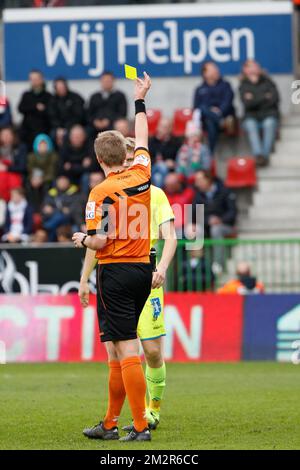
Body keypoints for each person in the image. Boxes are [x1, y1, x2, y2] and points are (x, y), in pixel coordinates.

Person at [72, 73, 154, 442]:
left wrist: (80, 239)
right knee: (120, 349)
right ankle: (109, 423)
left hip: (115, 271)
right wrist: (140, 100)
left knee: (125, 349)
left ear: (97, 158)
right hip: (142, 268)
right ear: (124, 154)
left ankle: (138, 427)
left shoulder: (99, 192)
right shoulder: (142, 172)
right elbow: (145, 137)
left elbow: (100, 241)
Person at [78, 135, 177, 432]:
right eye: (128, 154)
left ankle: (150, 410)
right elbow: (99, 245)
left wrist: (162, 267)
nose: (131, 159)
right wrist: (84, 279)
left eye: (135, 154)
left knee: (151, 352)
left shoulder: (154, 192)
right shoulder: (115, 191)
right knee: (119, 352)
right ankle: (115, 421)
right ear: (122, 158)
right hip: (126, 269)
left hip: (146, 271)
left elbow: (170, 235)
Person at [192, 170, 237, 271]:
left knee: (216, 229)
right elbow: (194, 215)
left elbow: (232, 213)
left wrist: (220, 220)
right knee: (194, 229)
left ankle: (218, 264)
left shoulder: (225, 191)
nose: (196, 183)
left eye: (199, 180)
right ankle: (196, 264)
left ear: (208, 180)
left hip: (225, 226)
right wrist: (208, 220)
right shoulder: (198, 195)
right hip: (206, 225)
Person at [240, 60, 280, 167]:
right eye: (251, 66)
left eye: (255, 66)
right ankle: (259, 155)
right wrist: (264, 97)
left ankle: (263, 157)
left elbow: (275, 99)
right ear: (245, 70)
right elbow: (247, 104)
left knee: (269, 123)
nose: (254, 68)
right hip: (251, 117)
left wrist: (254, 99)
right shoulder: (243, 85)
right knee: (250, 124)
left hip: (268, 114)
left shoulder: (268, 81)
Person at [193, 62, 235, 153]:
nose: (216, 71)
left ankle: (210, 155)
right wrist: (210, 111)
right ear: (205, 74)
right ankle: (220, 121)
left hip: (224, 115)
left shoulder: (226, 85)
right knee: (203, 109)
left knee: (210, 121)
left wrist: (219, 111)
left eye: (216, 69)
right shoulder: (199, 89)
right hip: (212, 121)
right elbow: (196, 108)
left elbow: (228, 101)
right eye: (212, 69)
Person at [42, 175, 84, 241]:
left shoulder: (75, 192)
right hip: (55, 217)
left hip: (70, 220)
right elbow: (46, 208)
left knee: (60, 217)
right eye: (60, 182)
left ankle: (47, 227)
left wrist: (55, 210)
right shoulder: (52, 193)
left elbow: (74, 209)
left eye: (64, 182)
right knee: (57, 221)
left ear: (68, 182)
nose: (62, 184)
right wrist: (60, 210)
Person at [18, 70, 53, 147]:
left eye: (36, 79)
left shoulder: (48, 96)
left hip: (44, 128)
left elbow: (50, 112)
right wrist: (35, 107)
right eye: (32, 79)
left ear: (41, 79)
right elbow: (20, 108)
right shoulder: (26, 95)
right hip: (27, 129)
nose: (34, 81)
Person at [88, 71, 127, 136]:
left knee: (121, 125)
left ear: (113, 81)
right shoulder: (94, 96)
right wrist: (95, 121)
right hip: (95, 126)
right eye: (104, 81)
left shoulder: (120, 96)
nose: (106, 83)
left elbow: (123, 113)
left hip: (113, 123)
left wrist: (109, 120)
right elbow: (89, 113)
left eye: (108, 81)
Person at [49, 77, 85, 144]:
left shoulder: (75, 97)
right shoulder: (52, 100)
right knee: (53, 135)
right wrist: (59, 128)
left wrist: (66, 128)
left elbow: (79, 115)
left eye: (62, 87)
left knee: (73, 134)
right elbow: (52, 116)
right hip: (58, 128)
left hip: (73, 126)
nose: (61, 89)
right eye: (59, 87)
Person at [149, 117, 182, 187]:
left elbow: (178, 158)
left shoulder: (176, 142)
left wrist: (173, 163)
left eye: (165, 127)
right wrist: (159, 162)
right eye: (161, 126)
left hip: (169, 171)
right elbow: (147, 158)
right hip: (153, 168)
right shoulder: (151, 141)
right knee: (162, 166)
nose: (162, 129)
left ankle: (158, 196)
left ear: (170, 129)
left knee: (158, 178)